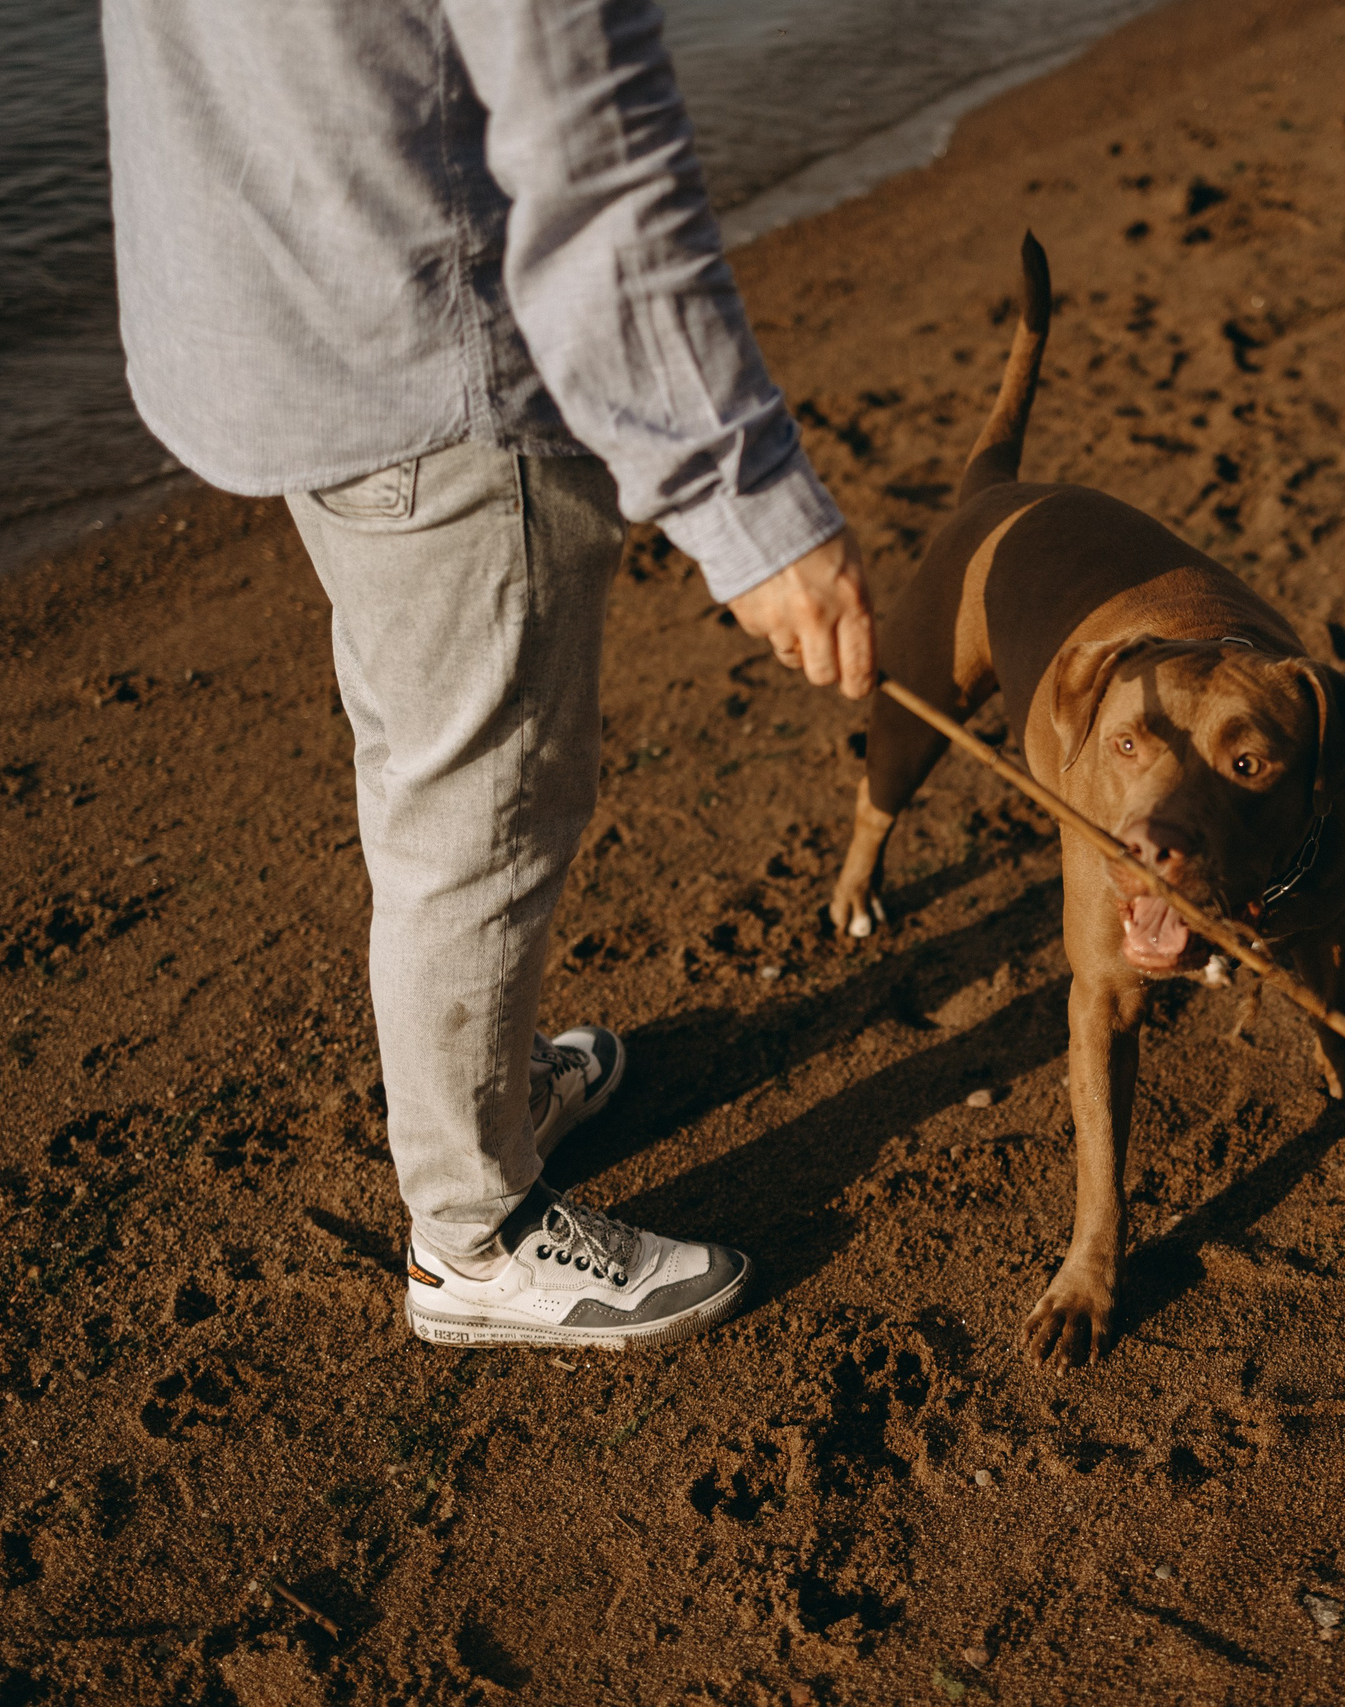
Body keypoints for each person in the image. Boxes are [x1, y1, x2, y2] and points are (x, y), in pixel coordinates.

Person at [101, 0, 875, 1348]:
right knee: (479, 812)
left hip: (273, 316)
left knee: (414, 744)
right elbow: (597, 164)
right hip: (430, 368)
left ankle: (479, 1093)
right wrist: (748, 511)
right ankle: (476, 1234)